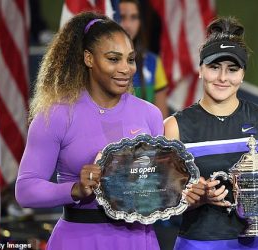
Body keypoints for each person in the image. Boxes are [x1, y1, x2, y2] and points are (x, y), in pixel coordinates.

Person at [15, 12, 163, 250]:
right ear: (89, 58)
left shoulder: (151, 114)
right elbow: (26, 190)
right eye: (114, 59)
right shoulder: (56, 116)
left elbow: (160, 186)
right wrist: (76, 189)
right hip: (77, 240)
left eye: (131, 59)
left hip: (140, 240)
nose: (126, 69)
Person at [164, 16, 258, 250]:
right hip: (198, 244)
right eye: (214, 67)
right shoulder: (174, 126)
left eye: (232, 69)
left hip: (255, 243)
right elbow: (166, 200)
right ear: (200, 70)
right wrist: (196, 197)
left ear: (243, 74)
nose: (223, 78)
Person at [119, 0, 169, 118]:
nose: (127, 24)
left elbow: (162, 119)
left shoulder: (153, 62)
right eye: (122, 17)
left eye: (134, 17)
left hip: (146, 135)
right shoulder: (101, 61)